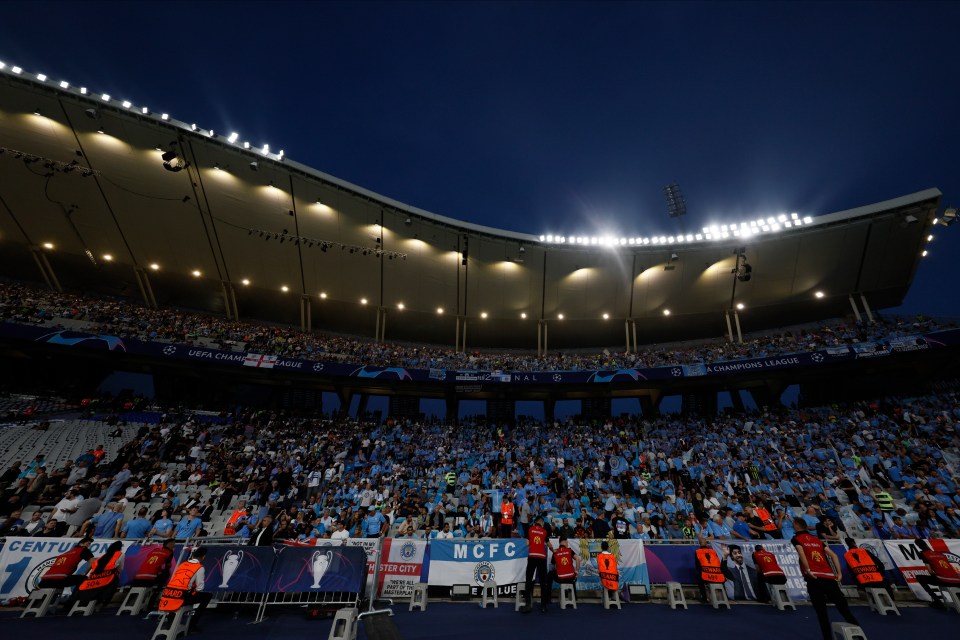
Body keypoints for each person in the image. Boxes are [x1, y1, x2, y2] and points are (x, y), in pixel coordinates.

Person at [792, 517, 859, 640]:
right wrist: (839, 573)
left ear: (796, 526)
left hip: (814, 578)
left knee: (821, 613)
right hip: (828, 577)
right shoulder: (817, 540)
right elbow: (833, 554)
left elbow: (801, 553)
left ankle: (828, 637)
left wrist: (808, 570)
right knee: (844, 609)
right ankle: (859, 634)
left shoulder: (796, 539)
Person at [159, 547, 213, 631]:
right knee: (207, 596)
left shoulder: (182, 564)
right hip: (180, 598)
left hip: (167, 595)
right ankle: (192, 625)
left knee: (184, 592)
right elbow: (200, 588)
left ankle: (169, 622)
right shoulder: (199, 567)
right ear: (203, 557)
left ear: (192, 556)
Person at [72, 540, 125, 607]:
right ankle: (102, 603)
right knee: (114, 581)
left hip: (92, 580)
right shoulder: (120, 554)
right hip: (108, 579)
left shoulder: (102, 557)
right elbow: (120, 568)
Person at [913, 538, 960, 609]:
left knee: (919, 577)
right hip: (957, 580)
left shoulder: (924, 554)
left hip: (944, 580)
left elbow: (930, 571)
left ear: (918, 546)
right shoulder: (940, 554)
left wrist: (935, 575)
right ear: (926, 544)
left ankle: (937, 601)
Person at [519, 515, 552, 613]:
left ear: (535, 522)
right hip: (541, 557)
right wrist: (553, 550)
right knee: (543, 582)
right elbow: (549, 545)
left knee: (529, 580)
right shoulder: (544, 532)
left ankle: (528, 605)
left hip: (532, 556)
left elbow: (527, 543)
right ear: (541, 523)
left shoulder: (530, 529)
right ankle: (543, 606)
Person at [547, 535, 580, 605]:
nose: (567, 544)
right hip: (571, 578)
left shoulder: (555, 552)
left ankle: (548, 598)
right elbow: (577, 559)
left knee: (550, 574)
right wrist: (577, 571)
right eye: (567, 542)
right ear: (565, 542)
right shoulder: (570, 550)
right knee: (572, 572)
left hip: (560, 578)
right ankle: (574, 597)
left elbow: (553, 567)